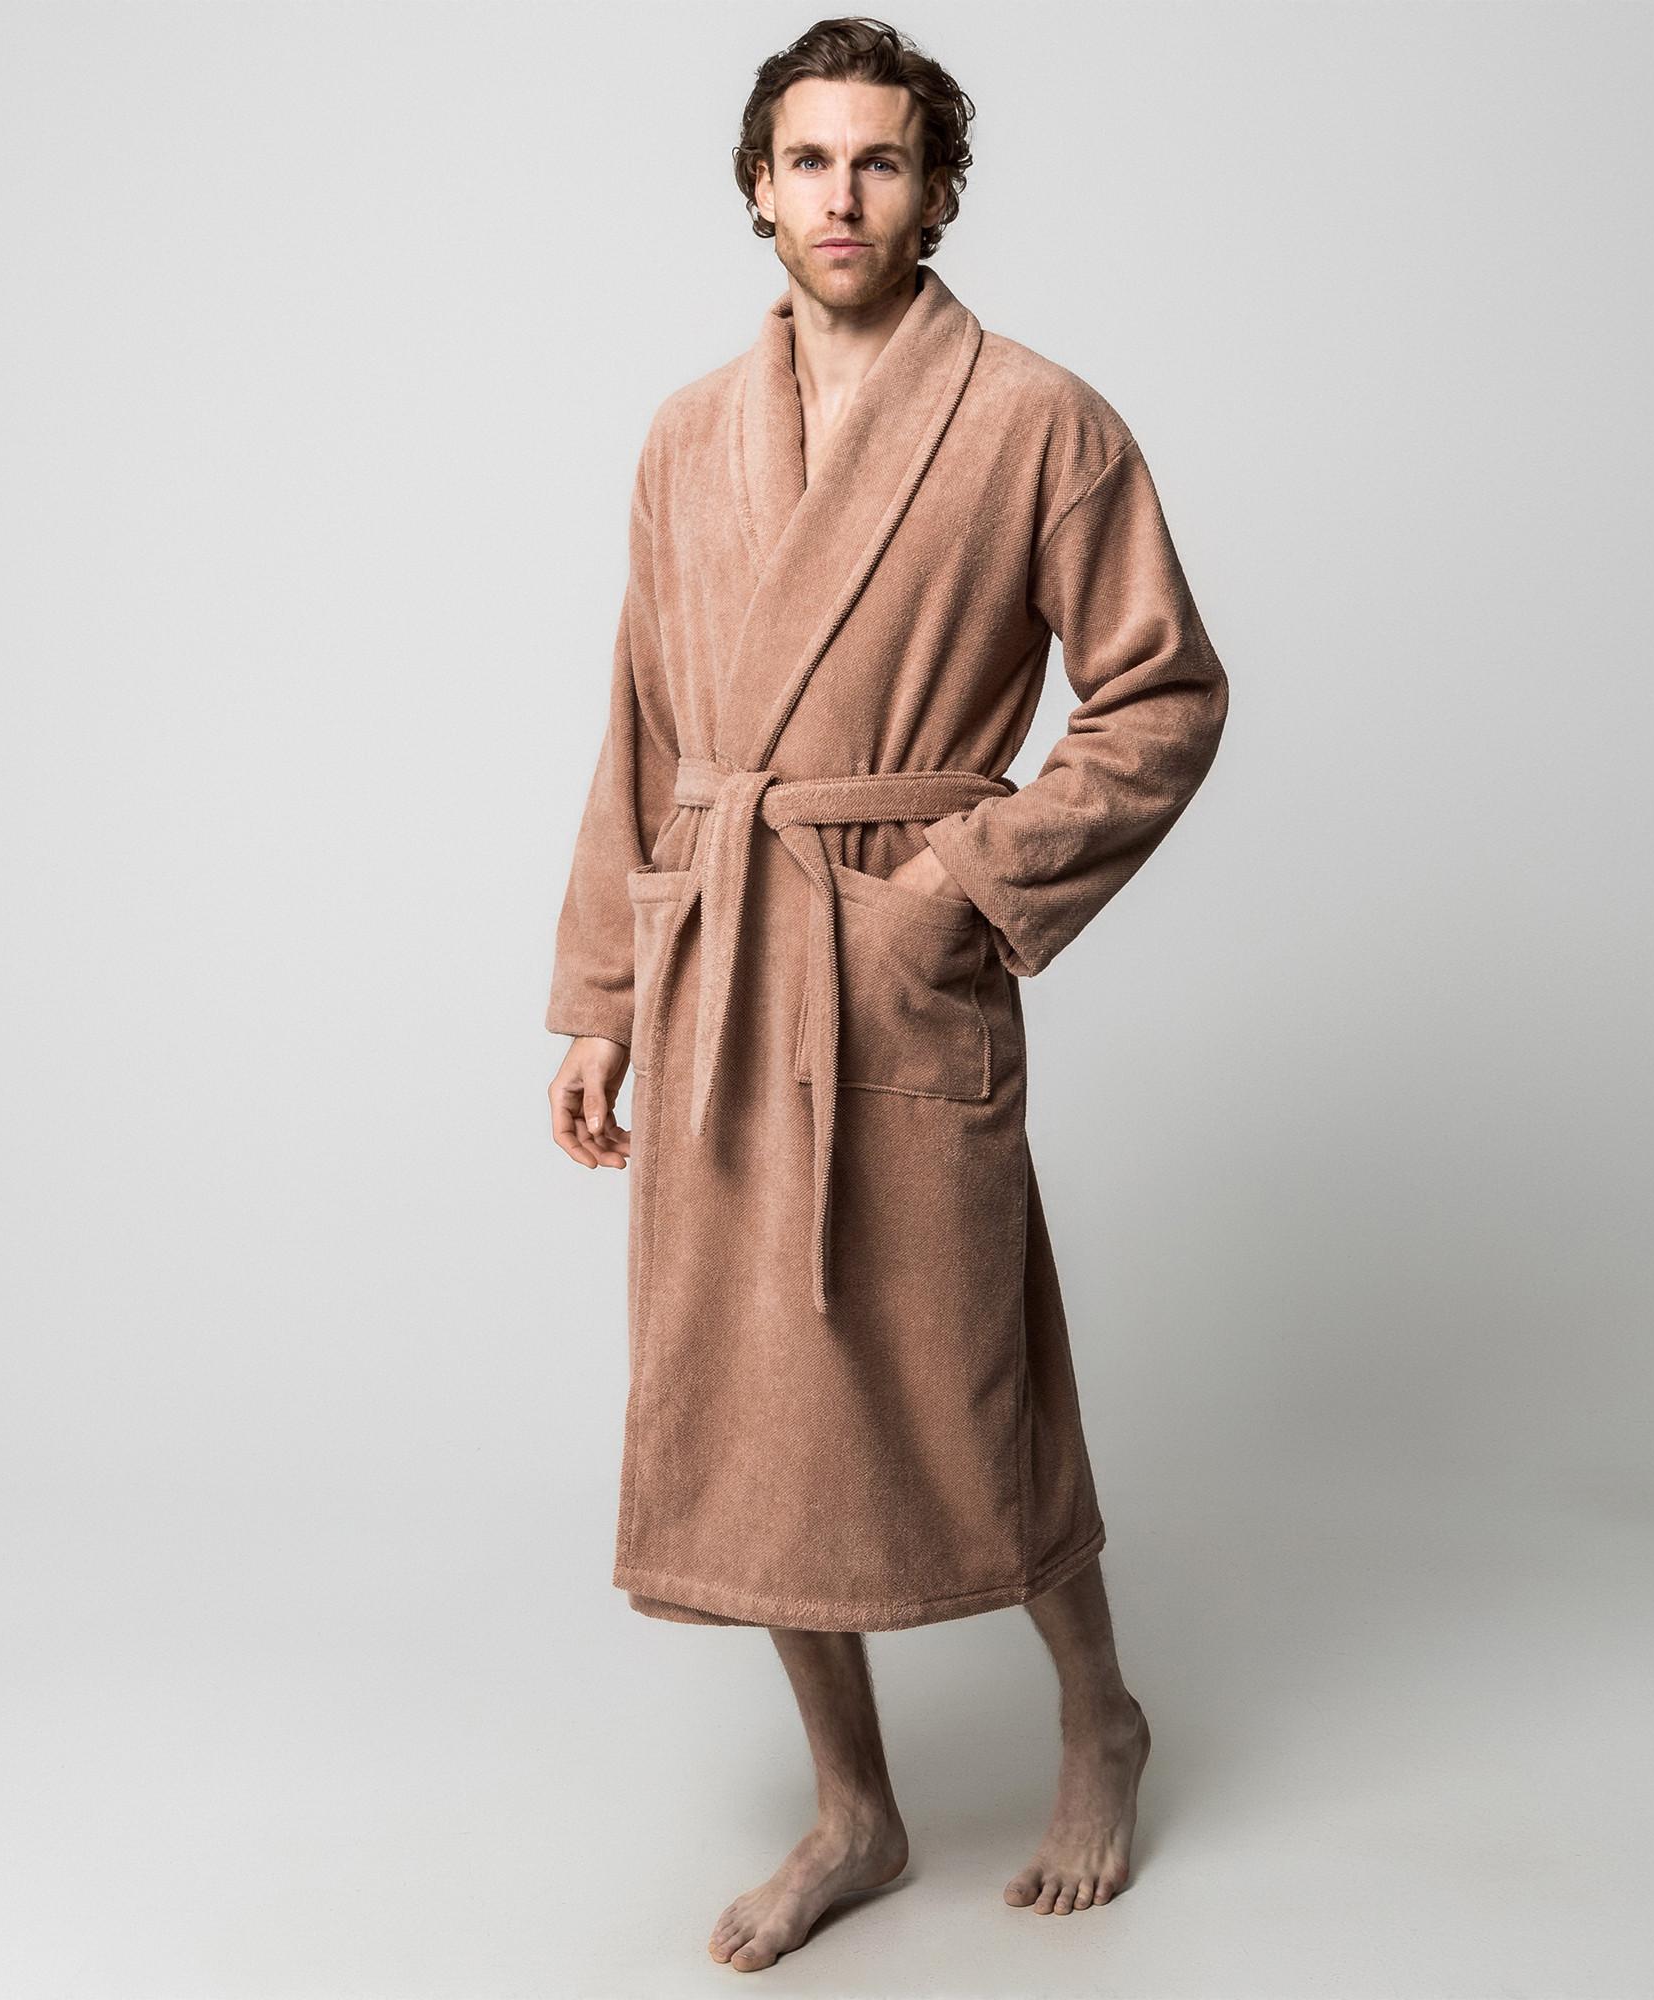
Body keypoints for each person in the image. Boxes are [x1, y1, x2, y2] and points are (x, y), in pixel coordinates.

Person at [545, 16, 1228, 1973]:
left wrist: (956, 890)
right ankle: (854, 1805)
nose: (841, 194)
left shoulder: (1036, 420)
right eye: (808, 160)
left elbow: (1161, 694)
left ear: (934, 191)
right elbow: (645, 728)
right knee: (747, 1400)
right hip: (718, 953)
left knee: (964, 1374)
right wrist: (602, 991)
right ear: (757, 190)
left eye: (880, 160)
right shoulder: (685, 434)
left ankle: (1098, 1715)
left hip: (887, 955)